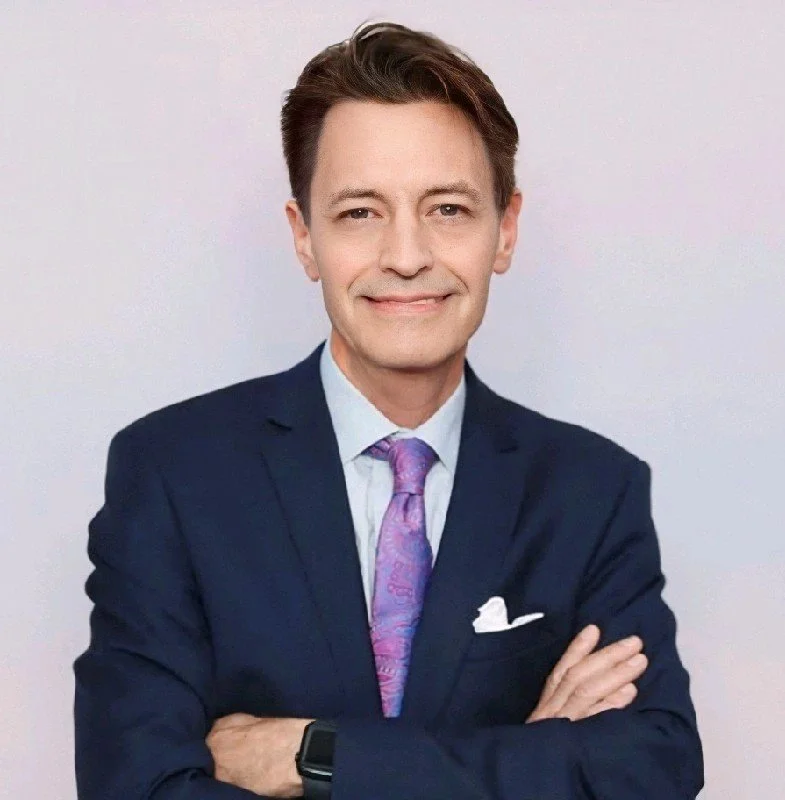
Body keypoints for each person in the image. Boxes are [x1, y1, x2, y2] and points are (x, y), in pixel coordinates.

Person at [73, 21, 703, 800]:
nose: (406, 255)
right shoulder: (172, 474)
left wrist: (319, 756)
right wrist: (521, 759)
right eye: (360, 213)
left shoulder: (591, 492)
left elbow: (652, 771)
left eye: (447, 209)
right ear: (303, 238)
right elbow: (136, 785)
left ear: (504, 229)